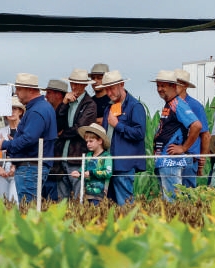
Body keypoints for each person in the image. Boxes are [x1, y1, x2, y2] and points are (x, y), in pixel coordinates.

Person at [0, 73, 57, 204]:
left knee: (27, 208)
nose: (16, 93)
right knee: (29, 205)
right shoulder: (42, 108)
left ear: (30, 90)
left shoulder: (36, 111)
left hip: (30, 165)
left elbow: (29, 139)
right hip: (33, 164)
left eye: (19, 89)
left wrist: (6, 145)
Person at [151, 70, 202, 202]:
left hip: (170, 162)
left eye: (163, 86)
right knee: (168, 200)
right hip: (164, 160)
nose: (160, 89)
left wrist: (183, 148)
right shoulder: (170, 104)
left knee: (171, 201)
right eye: (158, 86)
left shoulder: (177, 104)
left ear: (173, 86)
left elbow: (196, 125)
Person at [100, 71, 147, 205]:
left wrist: (117, 125)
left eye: (112, 88)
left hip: (124, 165)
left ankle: (130, 226)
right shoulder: (109, 107)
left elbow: (139, 133)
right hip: (108, 165)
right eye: (106, 89)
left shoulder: (135, 106)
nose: (109, 92)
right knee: (110, 206)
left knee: (125, 205)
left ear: (122, 84)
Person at [56, 69, 97, 201]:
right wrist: (63, 104)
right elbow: (57, 123)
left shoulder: (90, 104)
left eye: (78, 84)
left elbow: (80, 129)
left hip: (78, 157)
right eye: (72, 83)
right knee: (62, 199)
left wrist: (61, 134)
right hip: (63, 156)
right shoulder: (68, 101)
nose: (74, 86)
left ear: (85, 85)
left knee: (79, 198)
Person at [175, 69, 210, 187]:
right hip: (173, 157)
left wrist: (202, 159)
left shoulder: (195, 106)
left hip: (189, 157)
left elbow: (205, 134)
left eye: (177, 83)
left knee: (187, 192)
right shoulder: (171, 104)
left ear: (185, 85)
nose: (174, 86)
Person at [0, 97, 24, 203]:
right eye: (9, 109)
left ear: (20, 111)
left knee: (14, 202)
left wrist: (16, 166)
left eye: (15, 108)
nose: (11, 111)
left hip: (19, 171)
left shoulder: (25, 131)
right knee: (3, 204)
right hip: (2, 172)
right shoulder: (0, 132)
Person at [72, 123, 112, 205]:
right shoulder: (88, 155)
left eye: (91, 141)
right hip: (86, 194)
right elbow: (83, 169)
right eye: (87, 142)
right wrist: (79, 174)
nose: (88, 144)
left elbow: (108, 172)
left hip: (100, 195)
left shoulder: (106, 156)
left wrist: (91, 173)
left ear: (100, 141)